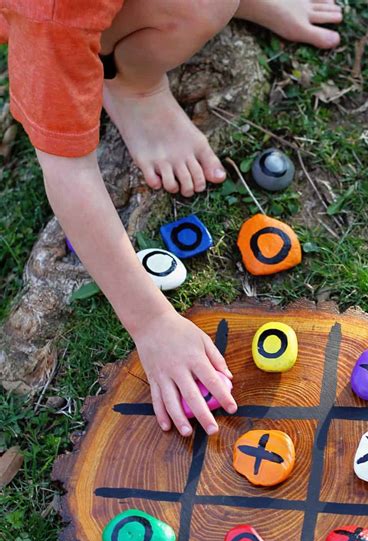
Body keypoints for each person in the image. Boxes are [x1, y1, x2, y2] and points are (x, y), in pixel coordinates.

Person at [0, 0, 343, 437]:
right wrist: (152, 322)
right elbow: (69, 173)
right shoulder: (50, 16)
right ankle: (127, 79)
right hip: (55, 27)